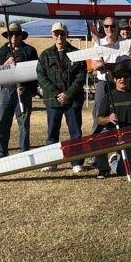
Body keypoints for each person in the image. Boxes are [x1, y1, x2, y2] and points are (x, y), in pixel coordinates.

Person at [36, 22, 87, 173]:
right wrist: (58, 93)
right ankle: (52, 162)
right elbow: (41, 76)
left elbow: (81, 75)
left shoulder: (77, 54)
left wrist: (68, 94)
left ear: (67, 34)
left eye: (62, 33)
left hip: (73, 100)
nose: (59, 36)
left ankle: (77, 162)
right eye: (56, 34)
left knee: (75, 132)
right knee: (52, 132)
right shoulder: (45, 55)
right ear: (52, 35)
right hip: (53, 100)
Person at [93, 61, 131, 178]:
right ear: (114, 79)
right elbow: (99, 119)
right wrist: (109, 118)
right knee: (97, 141)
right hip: (112, 132)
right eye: (119, 77)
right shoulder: (108, 97)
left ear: (130, 78)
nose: (122, 79)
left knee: (123, 172)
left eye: (125, 76)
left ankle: (114, 162)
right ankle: (103, 169)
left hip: (130, 135)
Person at [0, 22, 38, 158]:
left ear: (21, 36)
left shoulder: (30, 51)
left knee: (23, 124)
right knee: (1, 122)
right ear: (7, 36)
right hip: (6, 90)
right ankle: (1, 150)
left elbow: (35, 72)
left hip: (22, 92)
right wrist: (5, 64)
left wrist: (27, 87)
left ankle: (24, 152)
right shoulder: (2, 51)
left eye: (16, 34)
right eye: (11, 34)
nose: (14, 36)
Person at [90, 17, 126, 170]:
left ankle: (120, 153)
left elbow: (126, 62)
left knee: (120, 116)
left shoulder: (124, 43)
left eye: (112, 26)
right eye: (106, 26)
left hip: (118, 82)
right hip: (103, 82)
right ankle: (95, 154)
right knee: (98, 117)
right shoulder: (98, 42)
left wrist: (111, 67)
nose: (109, 29)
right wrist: (102, 64)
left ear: (117, 27)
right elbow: (94, 64)